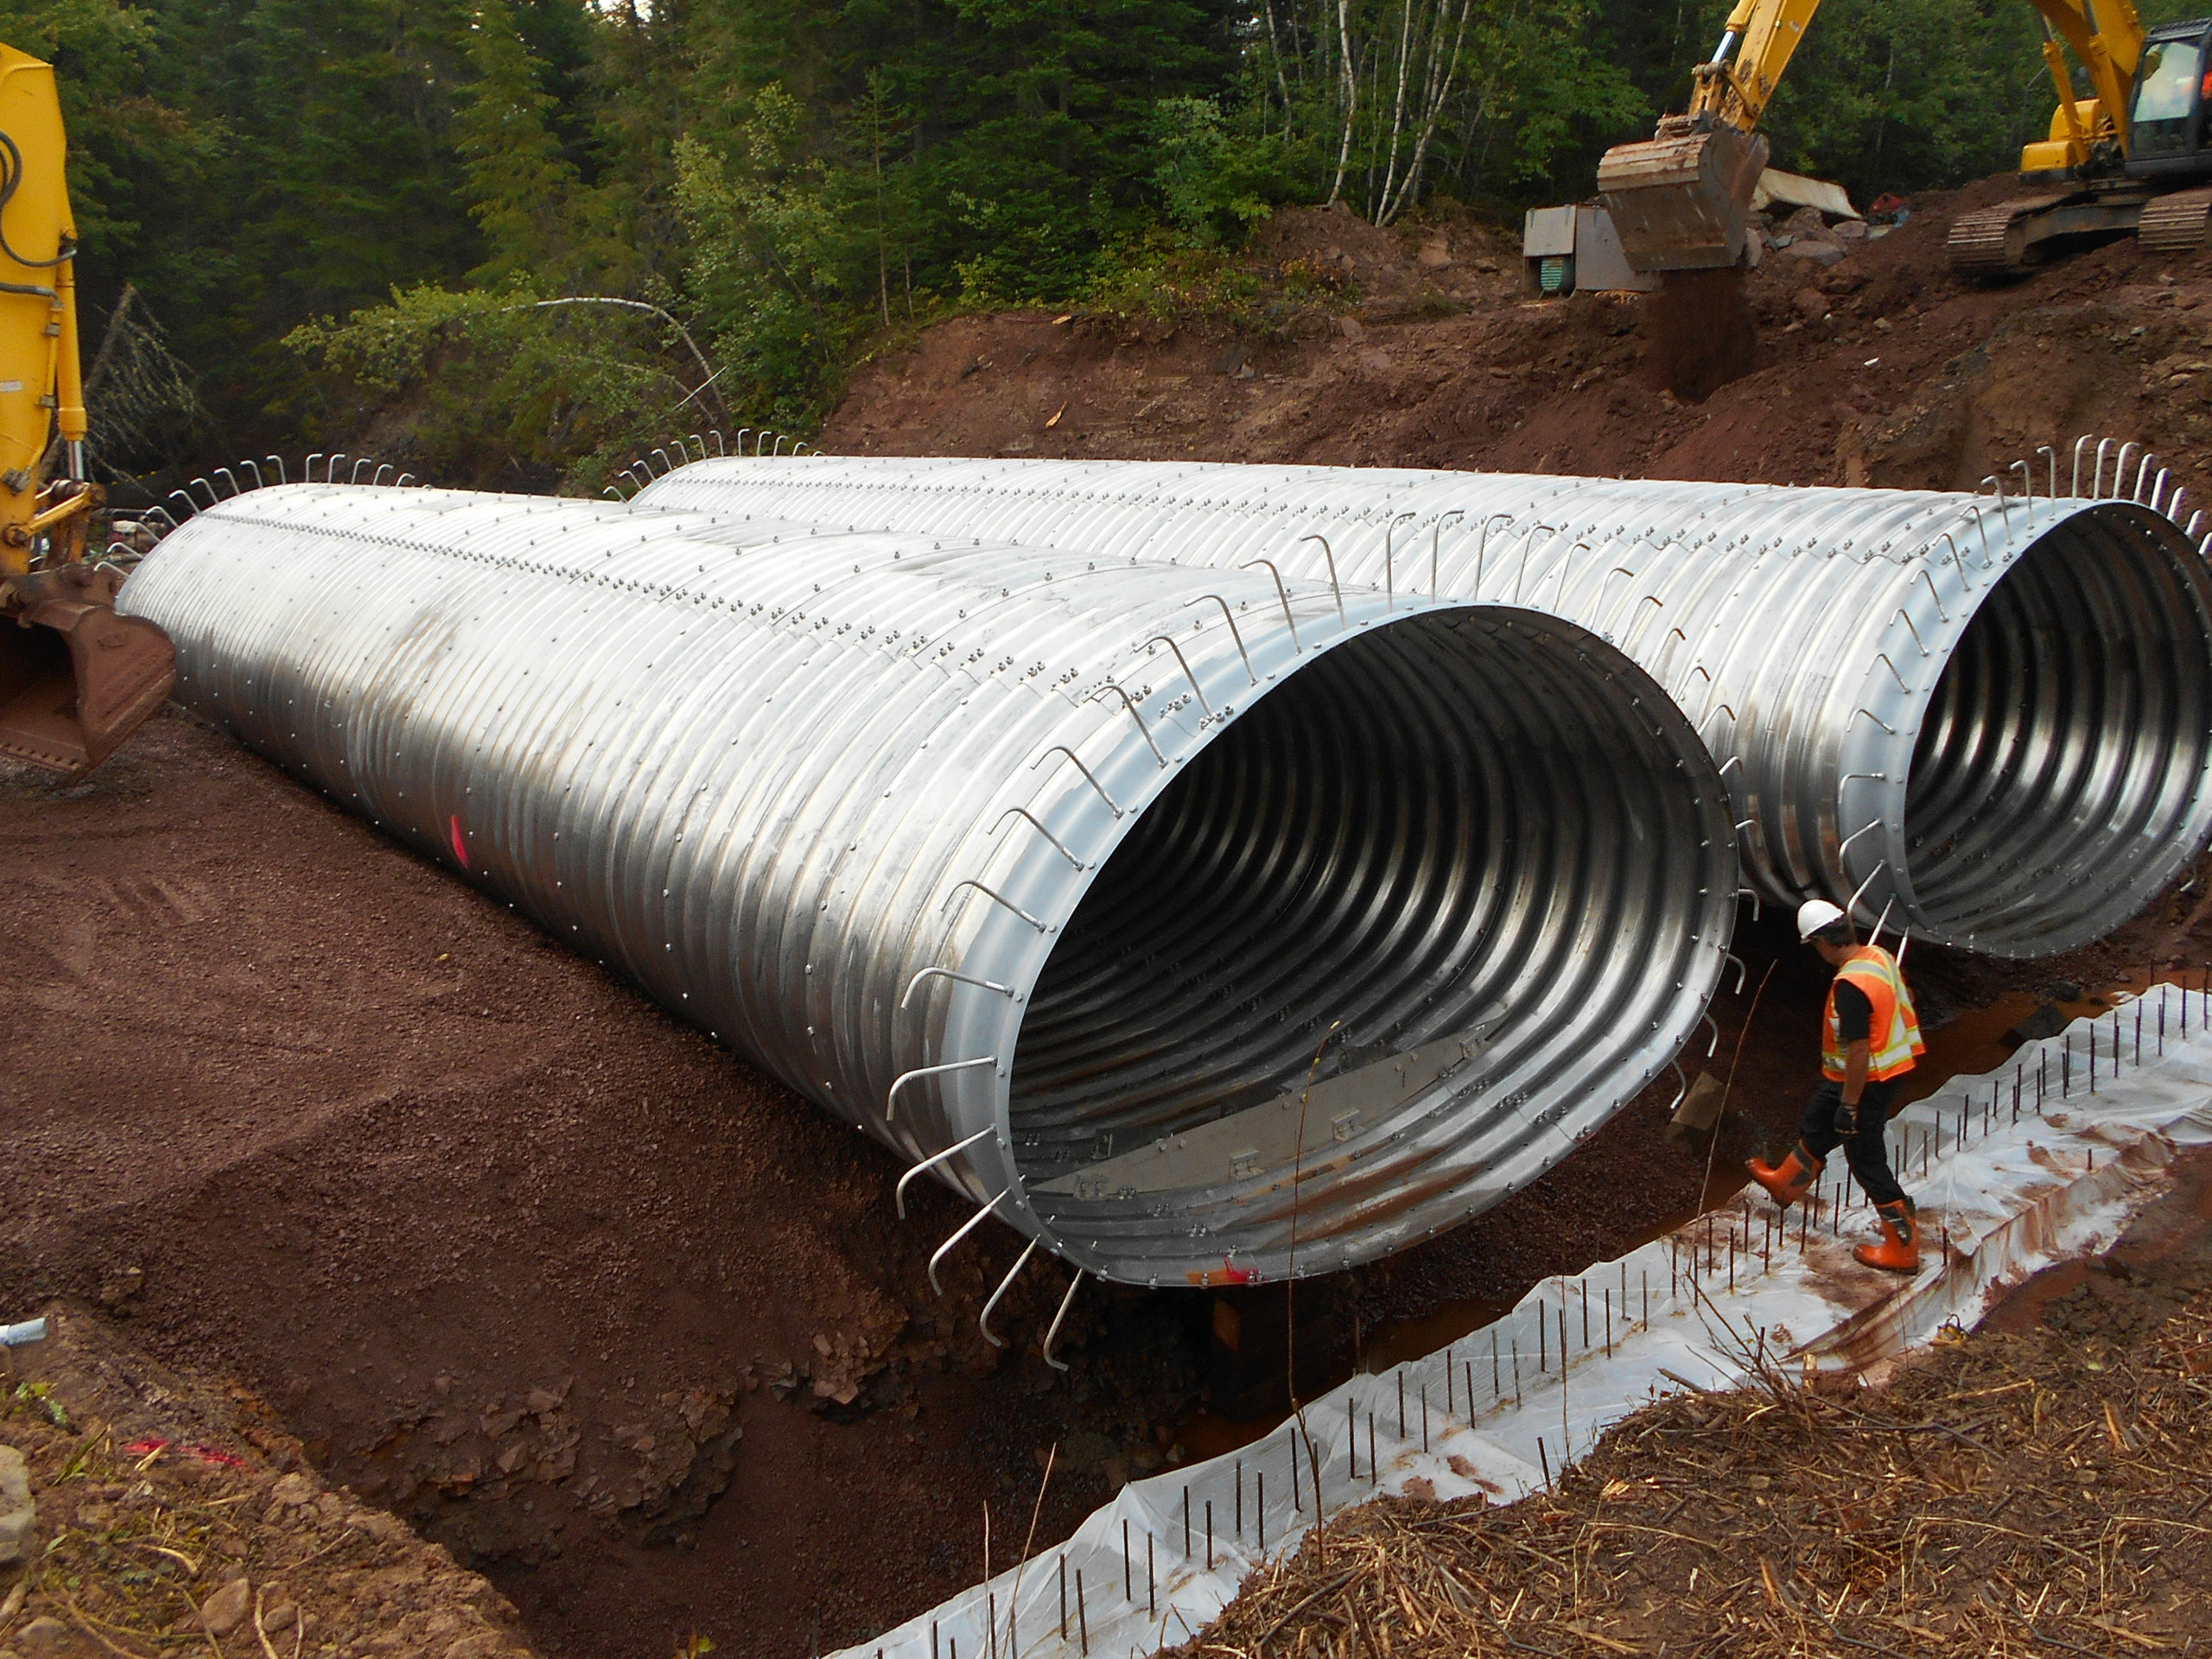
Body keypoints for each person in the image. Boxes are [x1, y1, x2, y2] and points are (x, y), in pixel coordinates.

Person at [1747, 899, 1926, 1273]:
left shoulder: (1850, 985)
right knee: (1817, 1117)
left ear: (1821, 943)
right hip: (1881, 1071)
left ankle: (1902, 1246)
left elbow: (1859, 1050)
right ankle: (1785, 1183)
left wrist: (1851, 1105)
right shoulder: (1877, 956)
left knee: (1865, 1157)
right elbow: (1906, 998)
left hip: (1868, 1080)